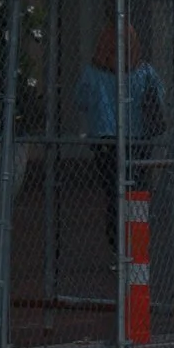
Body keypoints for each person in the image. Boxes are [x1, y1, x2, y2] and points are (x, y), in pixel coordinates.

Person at [72, 23, 164, 260]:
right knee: (138, 190)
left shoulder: (93, 73)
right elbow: (159, 98)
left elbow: (80, 100)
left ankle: (117, 248)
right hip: (138, 139)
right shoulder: (144, 72)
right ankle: (138, 245)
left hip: (105, 139)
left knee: (114, 193)